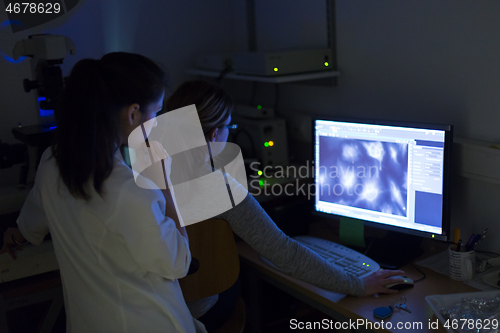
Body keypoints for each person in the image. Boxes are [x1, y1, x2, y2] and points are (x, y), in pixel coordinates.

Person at [163, 80, 406, 331]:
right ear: (214, 134)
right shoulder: (220, 189)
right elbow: (284, 252)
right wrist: (359, 285)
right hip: (204, 312)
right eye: (229, 126)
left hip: (159, 305)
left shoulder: (143, 177)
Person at [0, 53, 205, 333]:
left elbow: (31, 224)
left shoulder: (51, 162)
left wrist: (12, 237)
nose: (156, 122)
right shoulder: (130, 189)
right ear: (132, 113)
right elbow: (179, 263)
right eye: (155, 112)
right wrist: (163, 182)